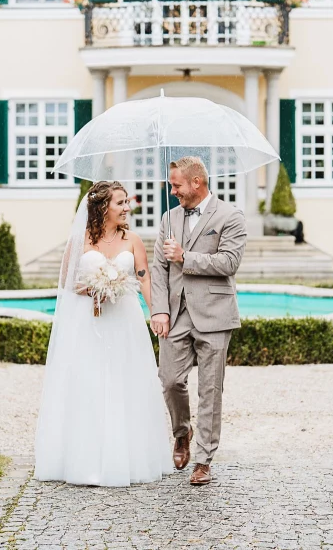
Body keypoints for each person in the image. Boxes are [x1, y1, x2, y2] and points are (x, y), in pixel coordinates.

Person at [34, 181, 173, 486]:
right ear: (102, 207)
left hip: (125, 321)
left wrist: (157, 312)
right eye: (120, 203)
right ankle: (86, 461)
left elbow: (144, 278)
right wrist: (92, 288)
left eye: (127, 202)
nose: (127, 208)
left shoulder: (133, 240)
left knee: (126, 381)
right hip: (88, 323)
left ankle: (128, 458)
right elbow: (66, 281)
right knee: (89, 382)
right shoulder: (79, 240)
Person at [150, 156, 247, 485]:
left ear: (197, 182)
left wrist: (185, 257)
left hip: (215, 315)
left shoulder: (230, 216)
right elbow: (158, 269)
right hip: (176, 315)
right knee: (169, 380)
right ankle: (182, 432)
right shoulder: (168, 218)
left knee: (210, 390)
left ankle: (203, 460)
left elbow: (229, 262)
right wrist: (159, 310)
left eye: (176, 185)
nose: (172, 191)